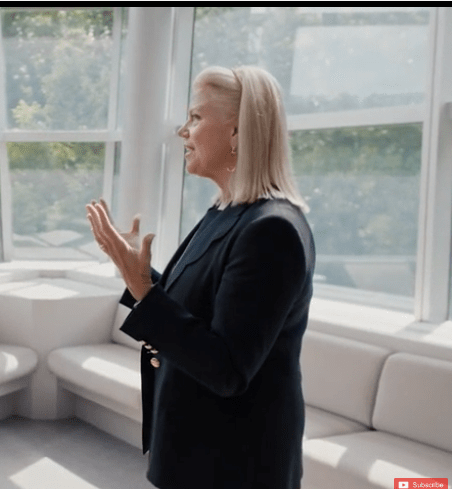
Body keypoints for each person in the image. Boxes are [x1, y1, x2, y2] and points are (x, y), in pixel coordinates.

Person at [87, 65, 315, 488]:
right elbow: (193, 307)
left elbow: (227, 368)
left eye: (195, 117)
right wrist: (129, 267)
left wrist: (142, 287)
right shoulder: (225, 212)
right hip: (195, 447)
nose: (183, 131)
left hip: (234, 463)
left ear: (236, 131)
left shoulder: (273, 230)